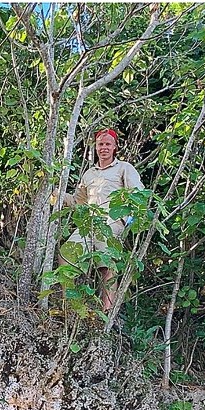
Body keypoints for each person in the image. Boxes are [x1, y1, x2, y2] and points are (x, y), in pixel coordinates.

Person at [56, 128, 144, 313]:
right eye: (100, 144)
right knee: (65, 256)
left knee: (107, 266)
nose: (104, 148)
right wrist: (57, 194)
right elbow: (78, 202)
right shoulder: (89, 174)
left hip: (112, 222)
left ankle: (107, 312)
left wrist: (130, 219)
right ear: (95, 148)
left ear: (115, 147)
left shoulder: (124, 168)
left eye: (108, 144)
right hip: (89, 223)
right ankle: (72, 308)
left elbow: (138, 194)